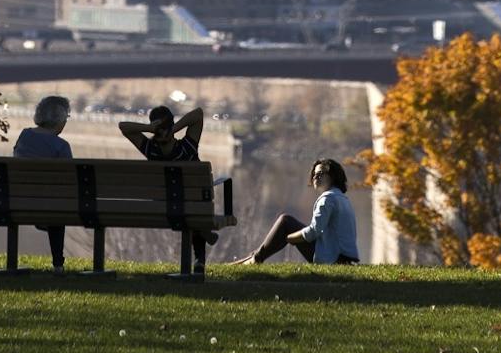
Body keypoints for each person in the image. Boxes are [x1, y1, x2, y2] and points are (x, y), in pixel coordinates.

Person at [117, 104, 217, 270]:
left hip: (164, 207)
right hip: (193, 205)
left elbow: (123, 127)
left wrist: (149, 128)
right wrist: (173, 128)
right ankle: (199, 259)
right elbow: (198, 114)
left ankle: (201, 245)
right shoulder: (187, 148)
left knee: (182, 202)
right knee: (190, 205)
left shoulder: (150, 150)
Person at [235, 158, 359, 265]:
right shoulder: (343, 199)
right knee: (286, 227)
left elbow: (313, 231)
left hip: (331, 259)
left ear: (333, 177)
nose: (316, 177)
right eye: (314, 174)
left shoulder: (327, 199)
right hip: (344, 258)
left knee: (286, 221)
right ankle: (255, 257)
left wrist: (289, 237)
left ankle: (256, 258)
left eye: (321, 173)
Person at [12, 94, 75, 271]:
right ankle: (57, 264)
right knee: (57, 208)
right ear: (60, 120)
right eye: (66, 118)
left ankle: (12, 263)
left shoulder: (24, 136)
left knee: (52, 204)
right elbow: (69, 181)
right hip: (51, 205)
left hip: (17, 202)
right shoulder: (61, 146)